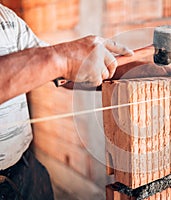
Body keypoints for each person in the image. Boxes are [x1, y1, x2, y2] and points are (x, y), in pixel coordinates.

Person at [0, 3, 134, 199]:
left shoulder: (6, 16)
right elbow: (59, 62)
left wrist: (137, 70)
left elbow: (62, 71)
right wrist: (64, 59)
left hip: (25, 170)